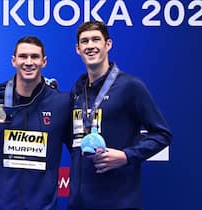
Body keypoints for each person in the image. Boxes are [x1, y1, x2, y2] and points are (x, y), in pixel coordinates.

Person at [68, 20, 172, 210]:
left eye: (96, 39)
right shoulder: (77, 90)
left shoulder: (130, 86)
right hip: (79, 203)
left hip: (118, 202)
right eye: (85, 41)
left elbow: (162, 135)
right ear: (78, 49)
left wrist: (126, 155)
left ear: (108, 44)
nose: (90, 46)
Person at [0, 36, 71, 210]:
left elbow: (77, 150)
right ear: (14, 61)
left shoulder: (61, 103)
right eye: (23, 56)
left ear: (44, 62)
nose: (29, 62)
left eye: (35, 57)